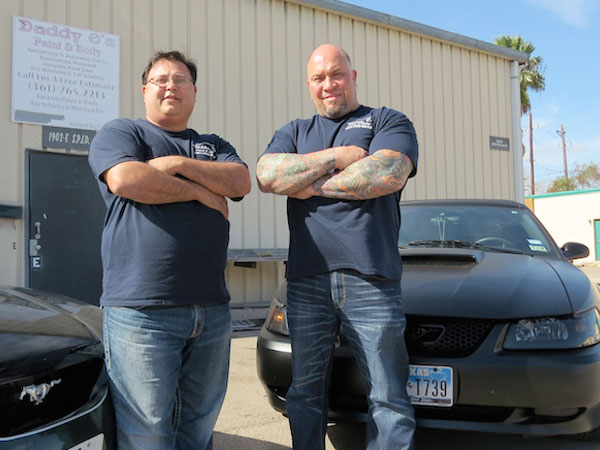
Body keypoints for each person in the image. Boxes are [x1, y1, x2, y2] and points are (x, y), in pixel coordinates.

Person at [256, 43, 418, 450]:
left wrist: (309, 184)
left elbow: (387, 173)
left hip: (371, 277)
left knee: (388, 396)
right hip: (307, 279)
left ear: (354, 76)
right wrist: (339, 156)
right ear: (309, 84)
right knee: (304, 393)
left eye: (337, 74)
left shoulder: (386, 120)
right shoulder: (294, 131)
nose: (328, 84)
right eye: (318, 77)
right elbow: (267, 175)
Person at [88, 50, 250, 450]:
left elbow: (240, 181)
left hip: (211, 311)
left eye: (180, 80)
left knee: (197, 428)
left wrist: (174, 163)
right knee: (148, 433)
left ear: (194, 92)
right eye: (161, 80)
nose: (170, 86)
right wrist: (201, 192)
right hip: (141, 312)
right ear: (145, 91)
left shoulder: (213, 144)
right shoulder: (123, 133)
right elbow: (127, 178)